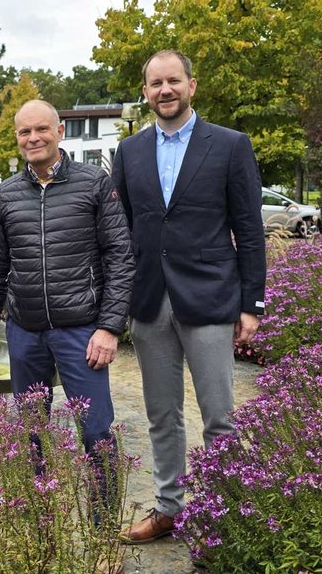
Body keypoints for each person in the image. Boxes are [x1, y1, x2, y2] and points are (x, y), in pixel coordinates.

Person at [112, 50, 266, 544]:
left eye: (173, 81)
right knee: (162, 412)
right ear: (145, 92)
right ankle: (168, 508)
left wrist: (252, 304)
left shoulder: (229, 145)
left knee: (218, 413)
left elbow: (249, 227)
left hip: (210, 299)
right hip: (151, 301)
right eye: (155, 83)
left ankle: (225, 513)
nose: (164, 91)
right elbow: (120, 230)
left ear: (191, 86)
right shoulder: (130, 152)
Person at [0, 99, 135, 478]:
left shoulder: (94, 183)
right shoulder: (8, 193)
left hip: (81, 331)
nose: (33, 138)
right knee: (31, 433)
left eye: (41, 129)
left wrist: (110, 327)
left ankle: (103, 524)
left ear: (59, 131)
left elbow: (120, 257)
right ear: (17, 138)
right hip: (25, 331)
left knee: (96, 431)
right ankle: (41, 520)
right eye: (25, 132)